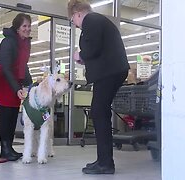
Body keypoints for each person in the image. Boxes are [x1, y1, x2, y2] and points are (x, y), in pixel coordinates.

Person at [68, 0, 130, 174]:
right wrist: (85, 56)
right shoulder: (97, 21)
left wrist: (79, 54)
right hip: (111, 71)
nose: (75, 25)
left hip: (109, 72)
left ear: (77, 14)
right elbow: (97, 47)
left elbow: (92, 48)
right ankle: (103, 160)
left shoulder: (91, 20)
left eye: (73, 20)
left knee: (99, 112)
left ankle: (105, 164)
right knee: (99, 112)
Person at [0, 13, 33, 161]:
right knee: (6, 116)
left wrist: (30, 84)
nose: (27, 29)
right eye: (24, 26)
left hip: (16, 84)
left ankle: (9, 147)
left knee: (13, 116)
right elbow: (5, 67)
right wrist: (16, 88)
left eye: (29, 26)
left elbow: (24, 65)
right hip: (5, 83)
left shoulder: (26, 43)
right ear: (17, 28)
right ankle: (4, 148)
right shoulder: (8, 42)